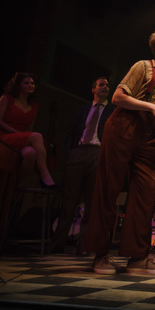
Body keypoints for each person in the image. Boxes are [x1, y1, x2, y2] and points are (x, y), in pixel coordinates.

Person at [81, 27, 155, 275]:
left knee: (147, 190)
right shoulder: (144, 67)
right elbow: (117, 97)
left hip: (148, 136)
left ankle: (137, 256)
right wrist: (150, 107)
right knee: (109, 188)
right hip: (124, 127)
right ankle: (99, 254)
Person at [50, 77, 116, 255]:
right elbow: (71, 132)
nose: (105, 87)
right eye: (101, 85)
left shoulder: (112, 110)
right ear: (93, 89)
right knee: (68, 200)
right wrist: (70, 153)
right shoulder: (82, 110)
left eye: (107, 86)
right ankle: (58, 243)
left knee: (92, 201)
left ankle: (85, 245)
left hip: (98, 153)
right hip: (78, 153)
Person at [0, 72, 56, 188]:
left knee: (30, 154)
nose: (30, 85)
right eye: (26, 83)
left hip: (21, 139)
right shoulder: (7, 99)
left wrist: (24, 136)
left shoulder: (33, 106)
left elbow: (29, 130)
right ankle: (44, 174)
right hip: (3, 136)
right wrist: (17, 133)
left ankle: (15, 186)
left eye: (32, 83)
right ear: (18, 85)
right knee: (36, 136)